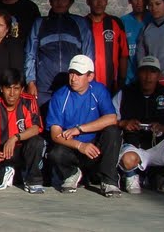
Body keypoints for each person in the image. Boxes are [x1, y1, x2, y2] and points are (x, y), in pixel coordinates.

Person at [46, 55, 122, 197]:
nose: (73, 78)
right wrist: (80, 145)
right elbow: (55, 134)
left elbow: (112, 118)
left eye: (79, 74)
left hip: (95, 148)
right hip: (73, 147)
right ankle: (72, 173)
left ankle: (109, 180)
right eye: (71, 73)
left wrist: (80, 129)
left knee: (113, 132)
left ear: (90, 76)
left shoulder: (99, 90)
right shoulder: (60, 96)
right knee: (55, 153)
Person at [114, 56, 164, 198]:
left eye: (153, 72)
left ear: (159, 75)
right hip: (134, 145)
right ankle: (131, 176)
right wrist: (124, 123)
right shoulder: (125, 93)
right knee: (128, 159)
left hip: (159, 145)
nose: (148, 77)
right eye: (144, 72)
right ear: (138, 74)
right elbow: (110, 118)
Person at [25, 0, 94, 108]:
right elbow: (30, 54)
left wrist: (87, 80)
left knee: (71, 124)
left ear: (71, 1)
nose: (60, 3)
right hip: (44, 87)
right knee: (44, 124)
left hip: (72, 84)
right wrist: (30, 82)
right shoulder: (40, 23)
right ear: (50, 1)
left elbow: (88, 55)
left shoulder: (80, 23)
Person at [85, 0, 129, 93]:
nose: (99, 3)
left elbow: (123, 55)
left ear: (107, 1)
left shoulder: (116, 23)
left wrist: (122, 81)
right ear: (88, 1)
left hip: (111, 86)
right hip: (87, 86)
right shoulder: (82, 24)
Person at [121, 0, 150, 86]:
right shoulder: (123, 22)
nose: (139, 2)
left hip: (151, 80)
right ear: (130, 0)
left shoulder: (154, 20)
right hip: (129, 80)